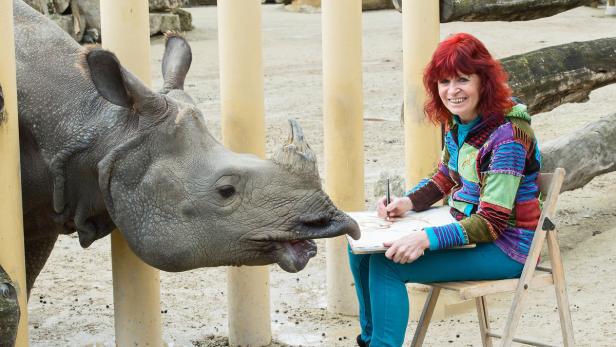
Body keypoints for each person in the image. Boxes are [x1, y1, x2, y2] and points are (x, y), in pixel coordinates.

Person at [348, 32, 542, 347]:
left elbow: (491, 223)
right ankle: (371, 341)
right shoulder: (460, 123)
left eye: (463, 79)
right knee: (361, 249)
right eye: (443, 82)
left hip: (508, 247)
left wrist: (426, 238)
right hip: (467, 230)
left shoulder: (508, 137)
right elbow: (445, 176)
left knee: (386, 265)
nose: (452, 91)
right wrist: (406, 203)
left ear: (484, 81)